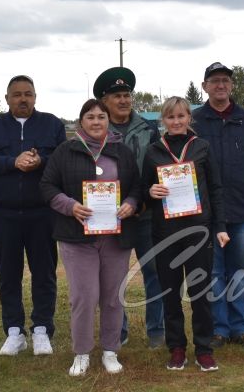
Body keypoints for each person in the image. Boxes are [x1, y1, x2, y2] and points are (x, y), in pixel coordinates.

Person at [40, 99, 143, 377]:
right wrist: (70, 206)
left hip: (115, 237)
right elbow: (47, 186)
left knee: (112, 296)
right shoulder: (66, 151)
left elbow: (137, 187)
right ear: (80, 122)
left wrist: (131, 203)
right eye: (90, 117)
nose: (96, 122)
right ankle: (82, 353)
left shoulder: (121, 151)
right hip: (77, 238)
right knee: (84, 296)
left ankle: (110, 351)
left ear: (108, 121)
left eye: (101, 117)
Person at [0, 75, 67, 357]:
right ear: (7, 99)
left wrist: (42, 161)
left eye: (28, 94)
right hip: (5, 214)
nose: (22, 99)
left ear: (36, 97)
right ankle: (14, 331)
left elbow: (64, 160)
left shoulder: (52, 124)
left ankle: (42, 329)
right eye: (17, 95)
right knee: (8, 273)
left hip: (43, 212)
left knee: (44, 272)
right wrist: (12, 161)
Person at [192, 62, 244, 350]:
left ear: (232, 86)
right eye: (214, 81)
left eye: (225, 80)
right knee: (213, 272)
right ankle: (219, 328)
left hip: (240, 210)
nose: (220, 85)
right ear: (205, 87)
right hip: (206, 213)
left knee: (240, 269)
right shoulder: (194, 121)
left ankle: (240, 327)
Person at [144, 97, 229, 372]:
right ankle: (177, 347)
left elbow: (216, 189)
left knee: (200, 292)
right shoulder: (154, 150)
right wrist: (150, 192)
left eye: (181, 116)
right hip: (165, 232)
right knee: (170, 292)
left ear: (189, 118)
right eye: (170, 117)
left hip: (198, 231)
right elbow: (143, 187)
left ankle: (203, 348)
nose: (176, 121)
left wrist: (221, 226)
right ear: (163, 121)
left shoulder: (201, 147)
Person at [93, 66, 165, 349]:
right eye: (116, 96)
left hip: (146, 213)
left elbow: (159, 165)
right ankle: (117, 331)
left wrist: (146, 198)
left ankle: (156, 330)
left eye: (127, 95)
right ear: (104, 100)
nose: (123, 100)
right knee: (113, 279)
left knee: (155, 273)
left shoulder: (148, 128)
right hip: (110, 216)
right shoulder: (96, 128)